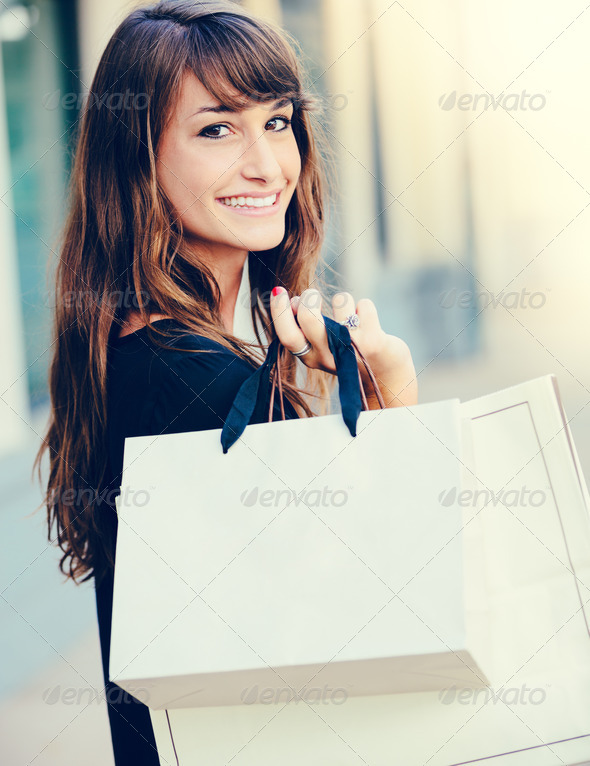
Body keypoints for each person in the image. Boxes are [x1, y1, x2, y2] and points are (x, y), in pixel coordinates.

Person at [35, 0, 418, 762]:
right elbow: (388, 601)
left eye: (278, 121)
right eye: (217, 129)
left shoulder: (130, 342)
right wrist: (393, 393)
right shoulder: (198, 382)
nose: (267, 164)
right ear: (138, 157)